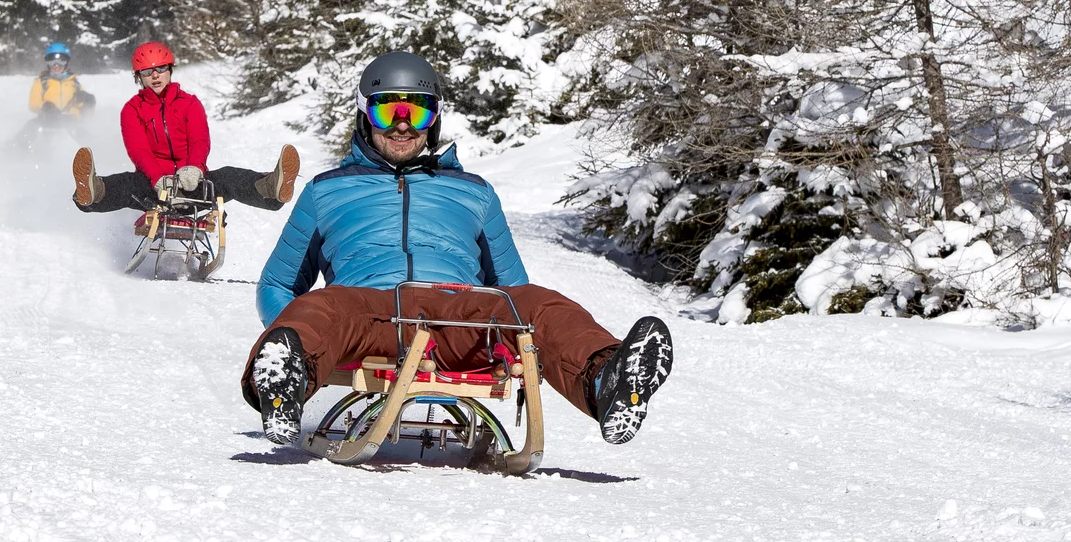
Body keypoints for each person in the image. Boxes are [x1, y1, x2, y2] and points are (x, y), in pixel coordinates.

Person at [240, 51, 675, 447]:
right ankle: (285, 376)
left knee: (537, 303)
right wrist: (297, 330)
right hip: (368, 311)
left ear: (436, 119)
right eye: (388, 109)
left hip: (455, 314)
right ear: (364, 114)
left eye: (418, 111)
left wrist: (516, 344)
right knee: (324, 305)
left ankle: (609, 380)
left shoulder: (475, 193)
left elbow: (511, 287)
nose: (403, 125)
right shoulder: (325, 191)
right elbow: (278, 282)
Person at [71, 41, 299, 213]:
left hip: (193, 185)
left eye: (160, 68)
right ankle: (92, 191)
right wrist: (159, 178)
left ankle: (271, 188)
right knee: (128, 183)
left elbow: (200, 139)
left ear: (170, 69)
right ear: (139, 77)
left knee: (229, 176)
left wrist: (194, 169)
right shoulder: (133, 109)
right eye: (147, 72)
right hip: (154, 189)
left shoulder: (189, 103)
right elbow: (139, 151)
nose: (155, 76)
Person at [28, 42, 94, 119]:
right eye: (52, 61)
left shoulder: (75, 84)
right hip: (47, 122)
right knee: (30, 126)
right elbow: (33, 104)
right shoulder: (42, 82)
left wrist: (89, 103)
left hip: (71, 123)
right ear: (48, 64)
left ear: (66, 63)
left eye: (61, 61)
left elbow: (86, 115)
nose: (56, 65)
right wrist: (46, 107)